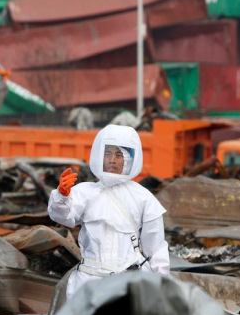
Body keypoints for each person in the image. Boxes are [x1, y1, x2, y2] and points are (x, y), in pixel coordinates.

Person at [48, 124, 170, 300]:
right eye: (107, 153)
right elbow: (62, 216)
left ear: (130, 160)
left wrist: (162, 286)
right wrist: (62, 196)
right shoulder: (85, 192)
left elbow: (156, 247)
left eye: (119, 155)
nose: (112, 160)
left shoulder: (143, 197)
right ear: (99, 155)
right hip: (89, 284)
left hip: (128, 285)